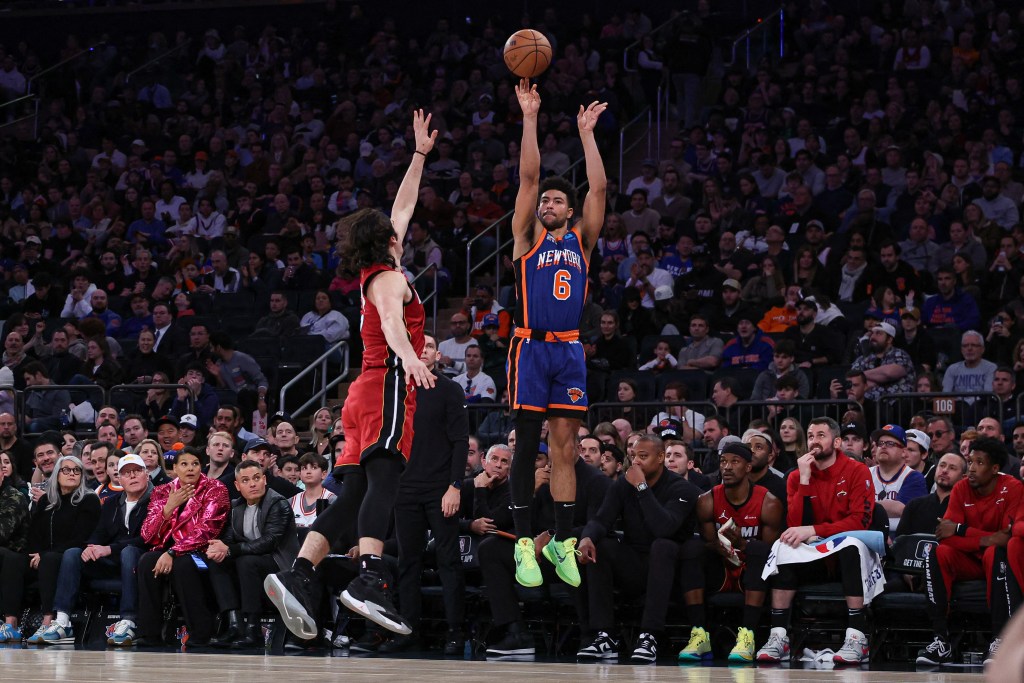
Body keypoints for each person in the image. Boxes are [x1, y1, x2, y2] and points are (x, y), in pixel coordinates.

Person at [264, 110, 436, 640]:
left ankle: (299, 572)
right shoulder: (387, 279)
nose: (400, 228)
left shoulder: (378, 266)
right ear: (385, 241)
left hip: (361, 393)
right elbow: (389, 321)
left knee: (357, 489)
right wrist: (410, 357)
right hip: (385, 383)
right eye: (394, 231)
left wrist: (419, 155)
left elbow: (403, 205)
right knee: (385, 480)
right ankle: (370, 580)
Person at [504, 81, 607, 591]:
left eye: (555, 199)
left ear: (568, 210)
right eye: (544, 199)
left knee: (565, 446)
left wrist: (587, 135)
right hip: (529, 346)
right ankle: (525, 541)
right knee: (528, 444)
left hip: (568, 348)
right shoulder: (527, 238)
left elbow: (600, 190)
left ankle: (562, 541)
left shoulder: (583, 242)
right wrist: (530, 117)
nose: (546, 202)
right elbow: (526, 176)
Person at [756, 416, 875, 665]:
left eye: (821, 435)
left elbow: (859, 522)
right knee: (782, 545)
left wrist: (814, 529)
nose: (814, 441)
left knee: (851, 545)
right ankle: (779, 636)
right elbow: (796, 523)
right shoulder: (796, 476)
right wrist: (805, 479)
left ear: (838, 441)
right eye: (810, 436)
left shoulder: (857, 471)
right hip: (814, 557)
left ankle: (857, 637)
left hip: (848, 556)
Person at [575, 434, 699, 662]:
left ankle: (649, 636)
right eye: (633, 456)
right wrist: (587, 538)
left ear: (661, 457)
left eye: (643, 456)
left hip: (673, 574)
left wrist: (642, 487)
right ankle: (605, 636)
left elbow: (663, 528)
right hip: (635, 565)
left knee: (663, 546)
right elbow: (602, 520)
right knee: (599, 546)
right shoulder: (623, 484)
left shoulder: (682, 488)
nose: (636, 462)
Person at [387, 334, 468, 653]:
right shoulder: (395, 390)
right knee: (408, 562)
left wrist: (455, 486)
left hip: (441, 489)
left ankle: (455, 632)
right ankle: (409, 631)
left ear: (438, 355)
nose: (422, 349)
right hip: (404, 489)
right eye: (416, 343)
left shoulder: (449, 389)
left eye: (429, 345)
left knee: (449, 561)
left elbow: (461, 442)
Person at [916, 437, 1023, 666]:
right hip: (969, 559)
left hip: (995, 560)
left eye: (980, 463)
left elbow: (1006, 538)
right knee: (937, 552)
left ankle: (999, 639)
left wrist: (961, 530)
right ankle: (940, 640)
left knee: (997, 553)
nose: (972, 468)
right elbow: (945, 535)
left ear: (995, 469)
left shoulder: (1013, 487)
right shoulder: (962, 487)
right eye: (970, 461)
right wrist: (982, 538)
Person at [677, 441, 783, 663]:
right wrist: (717, 544)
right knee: (692, 548)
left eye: (735, 462)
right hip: (721, 569)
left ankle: (748, 636)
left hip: (751, 572)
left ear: (748, 467)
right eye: (724, 461)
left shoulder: (768, 502)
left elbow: (770, 551)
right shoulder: (707, 500)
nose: (727, 467)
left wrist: (743, 544)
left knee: (757, 549)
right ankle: (699, 634)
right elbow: (707, 541)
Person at [49, 452, 151, 647]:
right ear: (119, 478)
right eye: (126, 473)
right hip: (112, 559)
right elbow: (98, 533)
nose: (132, 476)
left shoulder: (156, 500)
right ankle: (62, 620)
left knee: (128, 552)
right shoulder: (112, 502)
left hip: (141, 558)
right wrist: (91, 548)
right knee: (73, 553)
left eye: (137, 471)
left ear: (146, 474)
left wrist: (109, 549)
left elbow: (146, 539)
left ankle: (129, 620)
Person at [136, 448, 231, 647]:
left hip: (202, 554)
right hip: (168, 553)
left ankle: (200, 633)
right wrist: (168, 508)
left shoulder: (216, 489)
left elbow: (207, 531)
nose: (190, 468)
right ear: (174, 469)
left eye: (195, 463)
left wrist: (173, 552)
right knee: (146, 562)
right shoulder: (162, 491)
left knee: (183, 565)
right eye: (184, 464)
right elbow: (147, 535)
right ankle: (149, 633)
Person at [206, 459, 300, 648]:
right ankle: (233, 624)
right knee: (218, 561)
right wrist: (218, 548)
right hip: (251, 560)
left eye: (257, 478)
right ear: (237, 485)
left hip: (280, 562)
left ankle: (253, 629)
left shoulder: (278, 503)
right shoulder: (236, 507)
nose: (253, 484)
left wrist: (230, 549)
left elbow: (270, 542)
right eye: (246, 480)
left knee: (246, 562)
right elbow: (230, 538)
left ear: (264, 479)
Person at [19, 454, 102, 644]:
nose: (72, 473)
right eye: (66, 470)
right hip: (45, 556)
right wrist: (33, 553)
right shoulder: (47, 501)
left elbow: (81, 538)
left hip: (72, 557)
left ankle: (48, 620)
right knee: (12, 560)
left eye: (76, 470)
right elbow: (34, 533)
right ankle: (9, 623)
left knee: (49, 560)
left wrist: (44, 554)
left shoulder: (88, 500)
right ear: (57, 474)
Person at [869, 424, 928, 533]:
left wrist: (866, 505)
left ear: (904, 452)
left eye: (890, 444)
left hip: (901, 538)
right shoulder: (865, 473)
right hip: (869, 533)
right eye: (880, 443)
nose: (883, 447)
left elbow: (901, 509)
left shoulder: (913, 477)